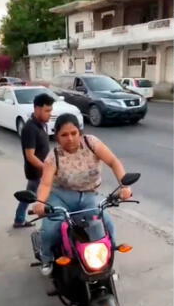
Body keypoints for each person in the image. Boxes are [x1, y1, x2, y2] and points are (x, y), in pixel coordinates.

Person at [33, 114, 132, 276]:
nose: (70, 138)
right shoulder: (53, 156)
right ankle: (46, 258)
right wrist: (41, 202)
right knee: (51, 228)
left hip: (88, 196)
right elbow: (45, 183)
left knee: (106, 223)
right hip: (61, 196)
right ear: (57, 137)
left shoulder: (91, 143)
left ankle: (108, 259)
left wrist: (124, 186)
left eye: (73, 133)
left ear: (80, 132)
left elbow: (113, 161)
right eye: (64, 135)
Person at [13, 93, 55, 228]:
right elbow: (30, 156)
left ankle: (19, 220)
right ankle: (50, 227)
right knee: (47, 199)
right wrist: (47, 169)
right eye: (47, 111)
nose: (49, 114)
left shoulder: (42, 125)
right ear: (37, 109)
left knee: (29, 197)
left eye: (51, 110)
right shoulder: (30, 129)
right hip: (36, 172)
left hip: (41, 171)